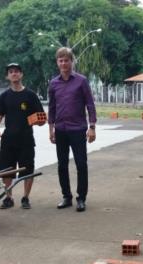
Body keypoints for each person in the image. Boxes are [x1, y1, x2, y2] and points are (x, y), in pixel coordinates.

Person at [0, 63, 44, 209]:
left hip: (26, 139)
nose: (14, 74)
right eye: (11, 72)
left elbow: (41, 117)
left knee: (27, 169)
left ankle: (25, 198)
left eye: (17, 71)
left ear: (21, 74)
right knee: (7, 170)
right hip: (8, 140)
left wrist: (39, 121)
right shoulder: (4, 96)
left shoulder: (30, 95)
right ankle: (9, 197)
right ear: (8, 76)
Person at [48, 47, 97, 212]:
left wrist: (92, 127)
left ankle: (81, 198)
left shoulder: (81, 81)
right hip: (61, 129)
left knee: (81, 164)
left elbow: (90, 104)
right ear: (57, 63)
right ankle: (66, 197)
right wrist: (51, 129)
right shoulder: (53, 83)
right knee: (62, 165)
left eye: (66, 60)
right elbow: (52, 108)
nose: (63, 63)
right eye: (60, 60)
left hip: (78, 129)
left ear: (71, 61)